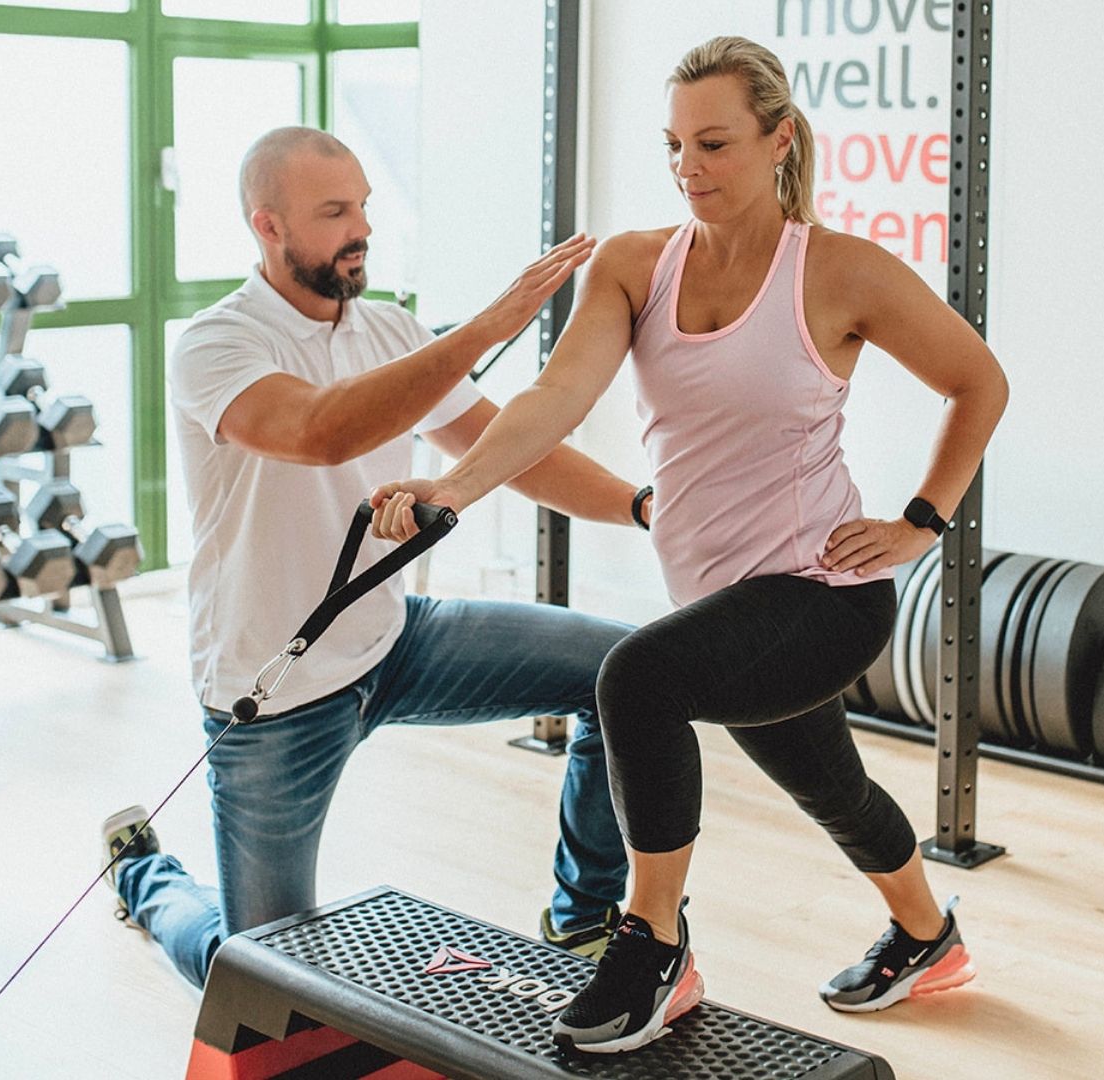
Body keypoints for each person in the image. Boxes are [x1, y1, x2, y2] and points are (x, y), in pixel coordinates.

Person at [368, 37, 1010, 1054]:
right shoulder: (634, 265)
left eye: (712, 143)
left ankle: (651, 944)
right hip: (720, 604)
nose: (688, 167)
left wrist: (917, 521)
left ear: (776, 139)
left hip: (822, 594)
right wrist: (452, 485)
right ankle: (928, 937)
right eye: (672, 145)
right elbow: (554, 398)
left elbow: (978, 381)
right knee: (830, 787)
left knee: (637, 680)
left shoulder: (840, 271)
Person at [101, 125, 650, 989]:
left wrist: (645, 506)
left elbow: (516, 450)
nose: (361, 228)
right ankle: (147, 876)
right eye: (333, 212)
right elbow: (322, 431)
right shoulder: (217, 344)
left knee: (628, 671)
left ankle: (584, 918)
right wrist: (488, 326)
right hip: (273, 689)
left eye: (362, 205)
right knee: (261, 979)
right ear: (269, 226)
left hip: (398, 642)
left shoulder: (388, 328)